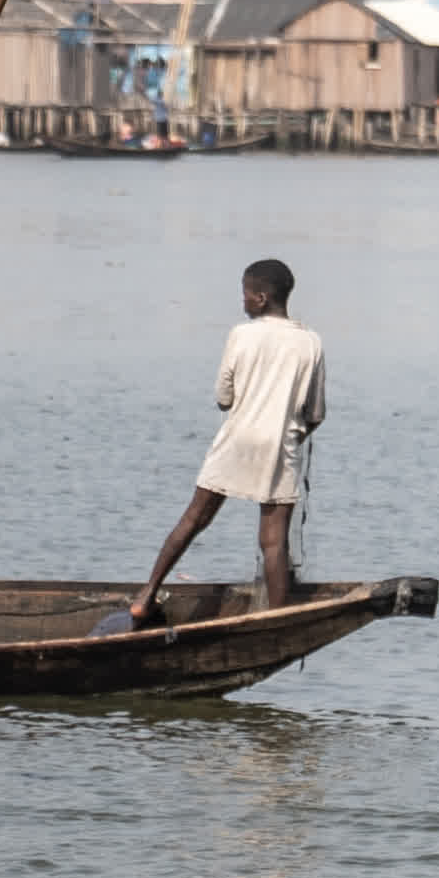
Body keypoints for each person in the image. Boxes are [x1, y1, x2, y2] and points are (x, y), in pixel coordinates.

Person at [126, 257, 324, 620]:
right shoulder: (310, 342)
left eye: (246, 295)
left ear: (261, 298)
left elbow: (224, 398)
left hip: (236, 441)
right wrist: (292, 432)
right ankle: (277, 622)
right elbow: (315, 414)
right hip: (280, 448)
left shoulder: (241, 335)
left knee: (194, 519)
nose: (243, 302)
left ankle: (146, 594)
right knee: (274, 542)